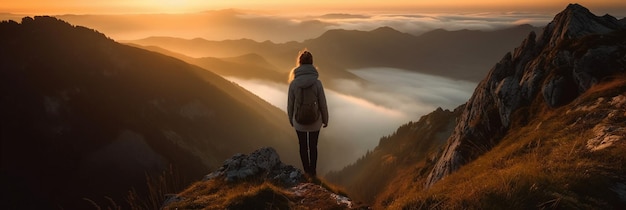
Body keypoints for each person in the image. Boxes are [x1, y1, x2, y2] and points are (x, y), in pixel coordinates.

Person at [287, 50, 329, 177]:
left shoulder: (294, 83)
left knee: (303, 147)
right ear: (312, 63)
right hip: (315, 121)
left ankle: (306, 172)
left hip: (299, 121)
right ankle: (313, 173)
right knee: (313, 147)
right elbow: (322, 104)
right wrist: (325, 119)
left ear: (299, 63)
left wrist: (291, 119)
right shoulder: (317, 83)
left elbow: (290, 104)